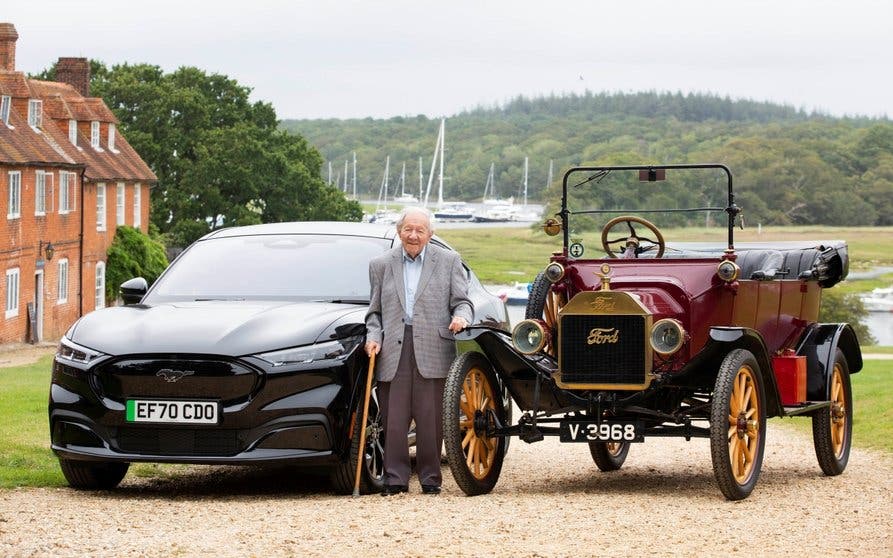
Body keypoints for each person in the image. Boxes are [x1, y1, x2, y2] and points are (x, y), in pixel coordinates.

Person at [365, 207, 473, 495]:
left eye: (420, 230)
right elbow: (374, 313)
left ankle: (430, 479)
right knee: (394, 419)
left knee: (430, 419)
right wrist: (373, 336)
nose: (413, 235)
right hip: (393, 349)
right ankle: (395, 479)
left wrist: (461, 318)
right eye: (408, 229)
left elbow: (463, 303)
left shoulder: (449, 261)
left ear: (430, 234)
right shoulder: (380, 264)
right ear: (399, 231)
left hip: (434, 346)